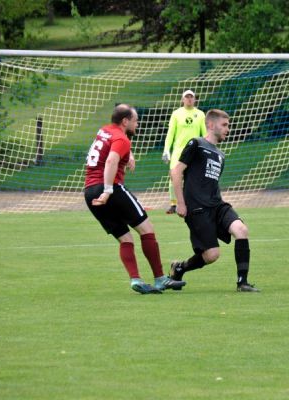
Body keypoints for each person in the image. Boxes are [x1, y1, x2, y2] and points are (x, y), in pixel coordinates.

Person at [84, 104, 186, 294]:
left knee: (125, 238)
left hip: (89, 192)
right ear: (125, 121)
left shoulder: (105, 130)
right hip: (110, 189)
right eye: (135, 121)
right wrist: (107, 190)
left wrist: (128, 153)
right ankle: (160, 279)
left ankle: (136, 279)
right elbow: (111, 160)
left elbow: (112, 146)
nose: (137, 124)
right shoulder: (121, 138)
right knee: (147, 230)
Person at [169, 109, 260, 292]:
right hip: (197, 208)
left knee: (241, 229)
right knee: (211, 255)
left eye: (229, 125)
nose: (228, 129)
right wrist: (180, 203)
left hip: (217, 205)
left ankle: (242, 283)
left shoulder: (221, 155)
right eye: (224, 125)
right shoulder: (196, 144)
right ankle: (180, 268)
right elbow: (176, 171)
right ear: (210, 125)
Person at [162, 89, 207, 214]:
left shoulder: (200, 114)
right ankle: (173, 203)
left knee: (194, 177)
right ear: (182, 99)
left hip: (194, 151)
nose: (189, 99)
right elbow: (170, 133)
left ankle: (194, 202)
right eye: (187, 97)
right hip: (178, 151)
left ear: (195, 99)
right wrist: (166, 150)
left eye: (191, 97)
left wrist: (207, 148)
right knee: (174, 176)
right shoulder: (176, 114)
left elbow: (204, 134)